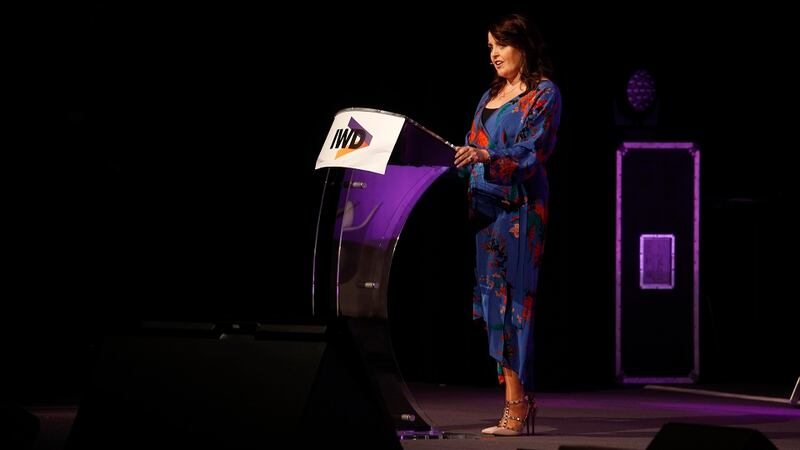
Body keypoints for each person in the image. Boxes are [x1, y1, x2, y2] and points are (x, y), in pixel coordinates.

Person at [454, 13, 561, 437]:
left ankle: (518, 405)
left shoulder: (544, 93)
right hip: (485, 210)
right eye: (489, 47)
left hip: (520, 210)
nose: (494, 54)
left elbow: (533, 150)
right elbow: (473, 145)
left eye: (501, 44)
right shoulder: (490, 95)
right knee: (492, 303)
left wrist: (484, 158)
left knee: (516, 303)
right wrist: (460, 159)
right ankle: (513, 401)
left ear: (523, 46)